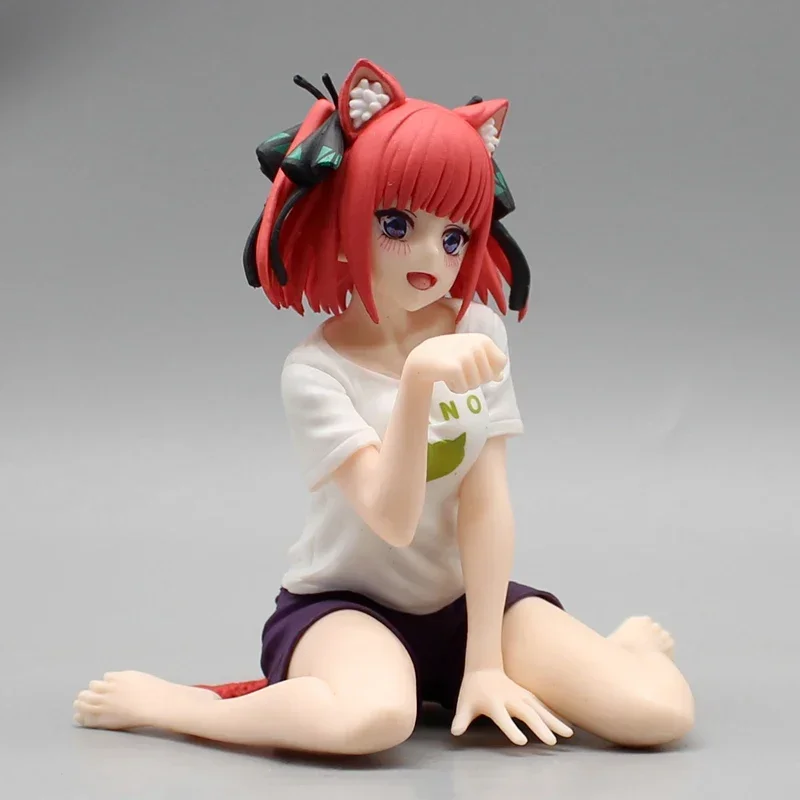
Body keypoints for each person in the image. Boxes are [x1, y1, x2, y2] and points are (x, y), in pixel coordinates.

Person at [73, 58, 694, 755]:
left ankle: (618, 650)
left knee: (657, 715)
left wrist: (485, 662)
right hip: (345, 609)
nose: (431, 256)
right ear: (346, 218)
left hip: (463, 606)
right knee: (373, 721)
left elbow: (485, 502)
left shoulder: (478, 330)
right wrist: (419, 383)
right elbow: (392, 520)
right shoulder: (316, 373)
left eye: (454, 236)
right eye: (398, 223)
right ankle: (186, 706)